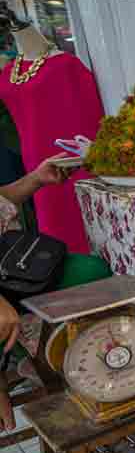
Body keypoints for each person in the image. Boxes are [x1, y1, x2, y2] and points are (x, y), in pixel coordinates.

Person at [0, 155, 78, 431]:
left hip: (12, 265)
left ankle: (58, 364)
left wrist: (35, 179)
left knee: (92, 270)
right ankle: (52, 366)